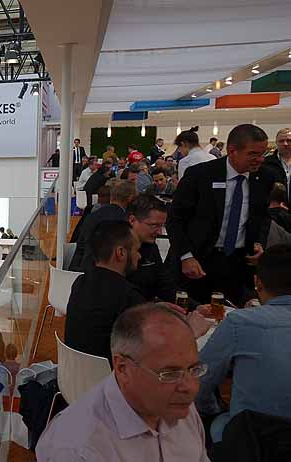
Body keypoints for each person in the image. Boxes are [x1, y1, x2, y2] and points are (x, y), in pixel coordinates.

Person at [36, 304, 210, 461]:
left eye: (194, 369)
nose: (191, 387)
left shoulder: (177, 404)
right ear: (122, 368)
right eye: (169, 374)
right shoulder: (77, 450)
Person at [167, 124, 273, 306]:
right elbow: (175, 219)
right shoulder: (200, 175)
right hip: (198, 261)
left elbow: (263, 217)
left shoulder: (265, 177)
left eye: (262, 153)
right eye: (253, 154)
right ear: (232, 151)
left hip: (239, 264)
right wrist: (185, 256)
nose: (260, 159)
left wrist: (259, 243)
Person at [196, 244, 291, 443]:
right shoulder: (241, 322)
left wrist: (214, 411)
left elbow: (200, 383)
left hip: (248, 442)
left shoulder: (239, 322)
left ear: (257, 283)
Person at [65, 221, 146, 361]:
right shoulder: (128, 297)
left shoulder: (79, 283)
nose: (139, 256)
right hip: (109, 374)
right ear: (121, 253)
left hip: (71, 370)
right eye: (136, 250)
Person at [68, 179, 138, 271]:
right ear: (130, 199)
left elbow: (81, 245)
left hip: (79, 268)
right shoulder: (123, 222)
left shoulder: (92, 215)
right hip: (100, 272)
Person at [262, 128, 291, 205]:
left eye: (289, 140)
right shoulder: (265, 163)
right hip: (275, 210)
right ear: (276, 143)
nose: (285, 144)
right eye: (281, 141)